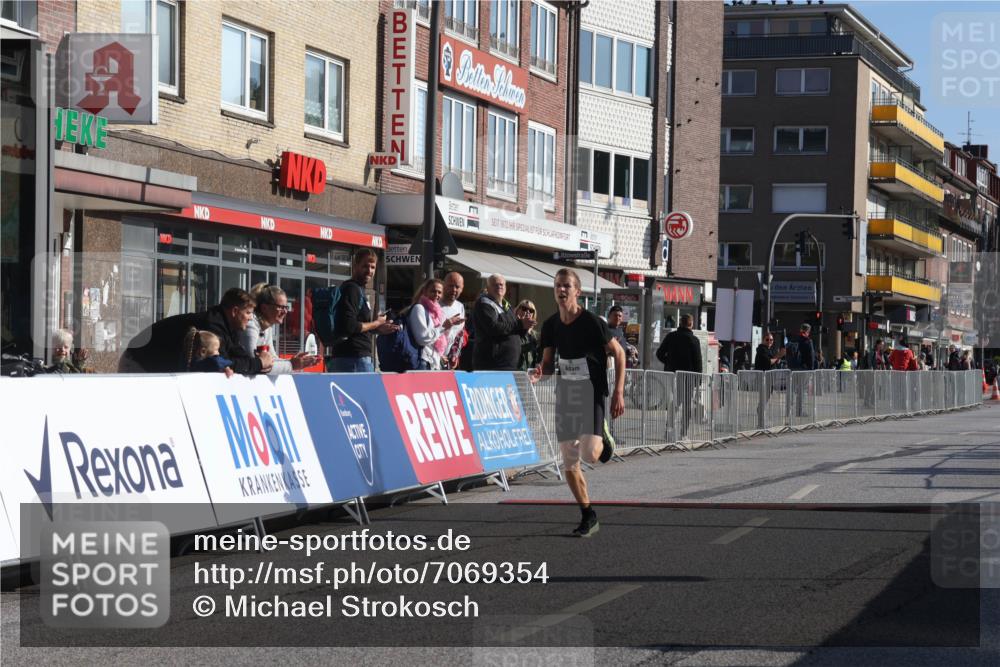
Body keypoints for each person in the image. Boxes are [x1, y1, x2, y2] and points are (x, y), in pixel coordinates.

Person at [531, 268, 625, 538]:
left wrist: (618, 392)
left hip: (592, 391)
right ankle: (588, 515)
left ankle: (604, 436)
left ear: (577, 291)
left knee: (589, 455)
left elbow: (618, 355)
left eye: (567, 286)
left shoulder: (592, 322)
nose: (561, 290)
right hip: (567, 394)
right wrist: (540, 372)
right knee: (569, 460)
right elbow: (548, 364)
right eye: (558, 285)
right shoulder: (550, 326)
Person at [119, 288, 273, 375]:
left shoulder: (227, 327)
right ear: (234, 311)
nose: (251, 318)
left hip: (151, 363)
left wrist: (259, 363)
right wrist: (258, 363)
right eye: (247, 313)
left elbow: (237, 357)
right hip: (138, 362)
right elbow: (222, 362)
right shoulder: (213, 326)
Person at [328, 248, 399, 373]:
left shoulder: (358, 289)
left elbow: (356, 326)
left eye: (373, 267)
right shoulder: (352, 289)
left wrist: (378, 329)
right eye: (365, 266)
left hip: (353, 358)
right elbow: (350, 326)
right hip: (353, 359)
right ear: (355, 266)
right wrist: (376, 323)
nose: (369, 271)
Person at [240, 283, 320, 374]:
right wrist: (292, 365)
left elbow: (272, 359)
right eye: (281, 307)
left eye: (286, 307)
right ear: (264, 308)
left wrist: (296, 362)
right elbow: (254, 364)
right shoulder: (251, 324)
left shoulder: (267, 326)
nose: (285, 311)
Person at [472, 274, 534, 371]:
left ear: (505, 287)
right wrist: (520, 324)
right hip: (492, 366)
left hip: (508, 365)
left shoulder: (507, 306)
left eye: (502, 284)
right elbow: (493, 327)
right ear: (488, 288)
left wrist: (525, 327)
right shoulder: (484, 303)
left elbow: (514, 331)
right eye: (495, 284)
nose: (499, 286)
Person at [407, 278, 463, 370]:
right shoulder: (419, 308)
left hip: (434, 361)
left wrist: (440, 355)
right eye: (433, 291)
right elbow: (423, 339)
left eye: (439, 292)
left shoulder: (438, 312)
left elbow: (437, 340)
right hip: (422, 361)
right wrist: (444, 327)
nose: (436, 295)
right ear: (425, 291)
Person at [440, 272, 467, 370]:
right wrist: (437, 354)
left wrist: (455, 355)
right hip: (431, 358)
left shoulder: (460, 306)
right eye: (450, 286)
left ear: (462, 288)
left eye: (457, 286)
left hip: (447, 360)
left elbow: (459, 334)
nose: (454, 290)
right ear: (444, 285)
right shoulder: (435, 304)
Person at [516, 300, 540, 371]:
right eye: (524, 309)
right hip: (515, 373)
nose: (528, 312)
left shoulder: (535, 335)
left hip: (530, 375)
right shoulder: (511, 331)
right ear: (517, 311)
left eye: (531, 310)